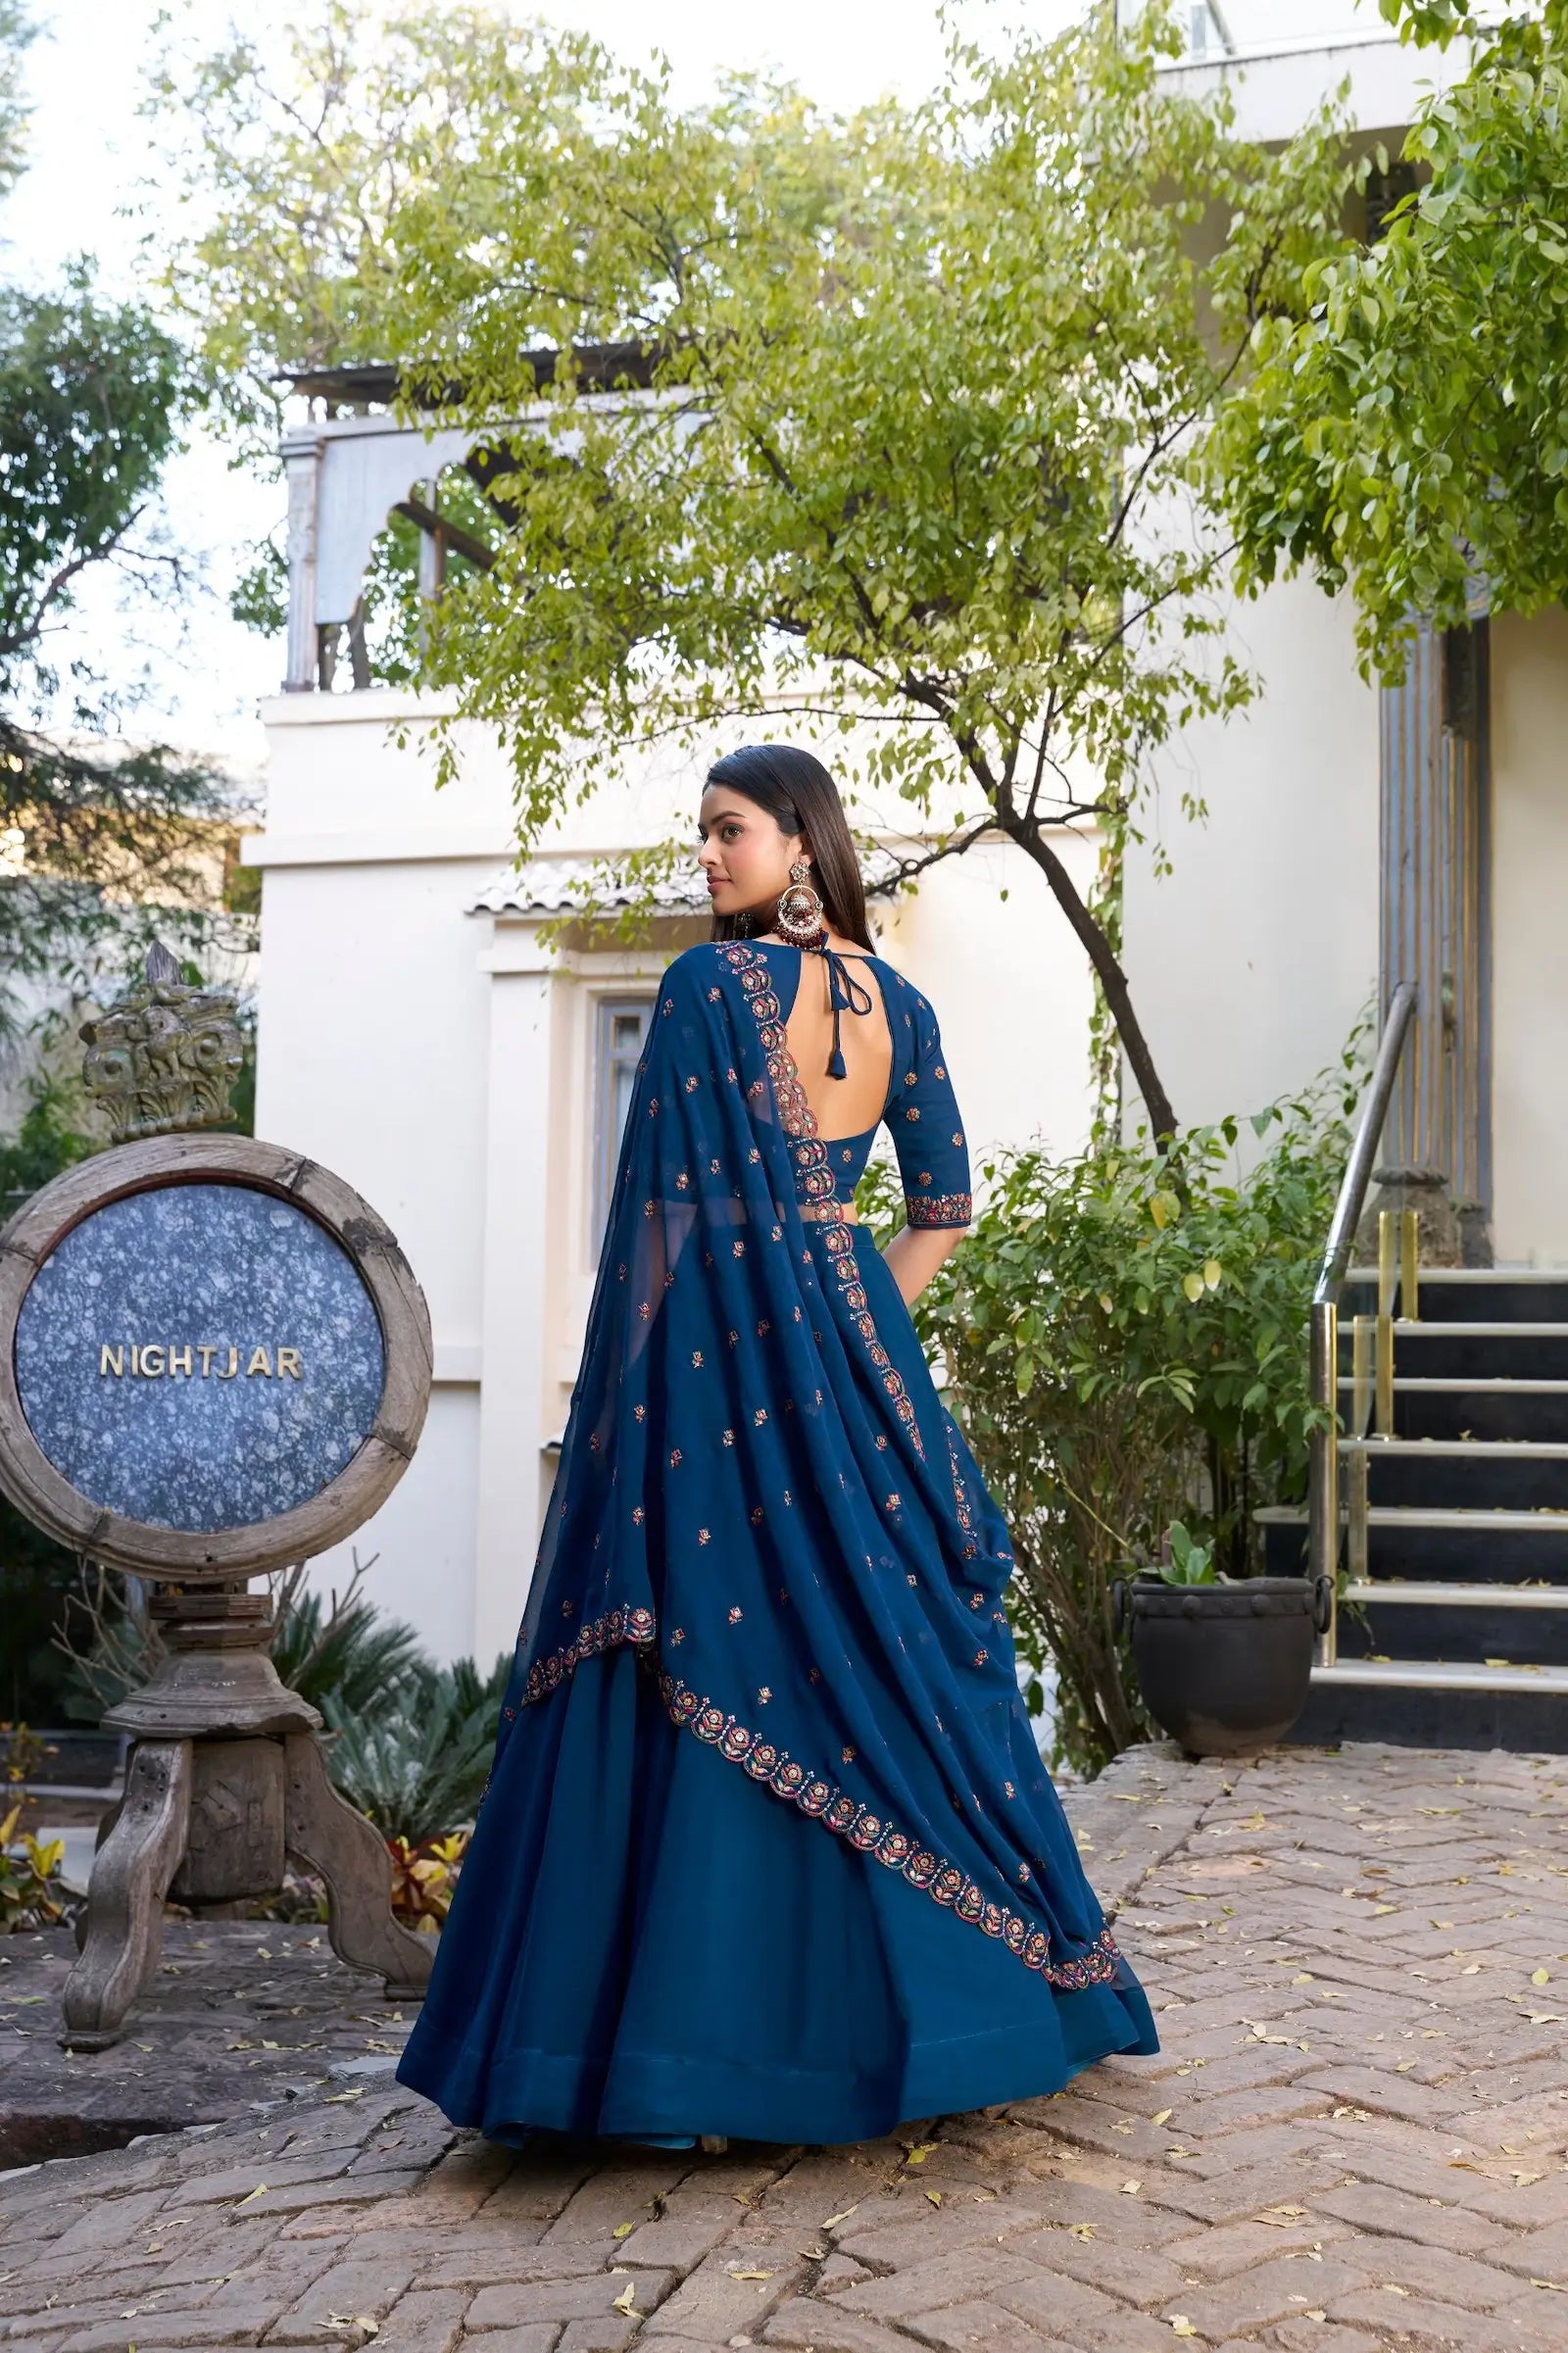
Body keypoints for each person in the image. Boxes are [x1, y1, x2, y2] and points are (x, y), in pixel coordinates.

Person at [396, 743, 1157, 2149]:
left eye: (728, 829)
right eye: (704, 832)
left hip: (722, 1366)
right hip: (852, 1371)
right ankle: (950, 2024)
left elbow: (661, 1219)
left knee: (719, 1639)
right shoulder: (905, 1007)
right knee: (871, 1655)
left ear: (802, 839)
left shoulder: (708, 989)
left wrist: (638, 1386)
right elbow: (943, 1207)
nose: (707, 855)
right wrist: (847, 1324)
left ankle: (690, 2059)